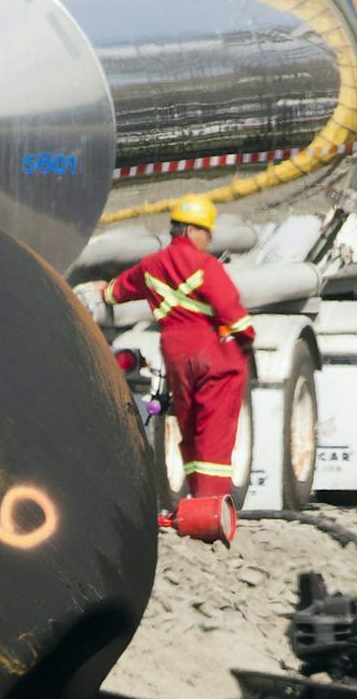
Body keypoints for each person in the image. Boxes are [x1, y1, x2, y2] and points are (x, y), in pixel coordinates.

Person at [105, 194, 255, 499]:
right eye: (206, 232)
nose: (209, 240)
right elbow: (233, 315)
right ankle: (211, 507)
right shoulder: (206, 266)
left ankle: (195, 501)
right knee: (215, 431)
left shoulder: (150, 266)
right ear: (190, 231)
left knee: (189, 426)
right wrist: (247, 338)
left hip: (175, 353)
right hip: (212, 353)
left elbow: (116, 291)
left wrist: (103, 290)